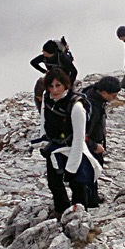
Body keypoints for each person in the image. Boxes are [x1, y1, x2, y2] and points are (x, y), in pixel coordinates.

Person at [38, 67, 99, 218]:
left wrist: (71, 168)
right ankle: (62, 213)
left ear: (66, 85)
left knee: (77, 184)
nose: (54, 90)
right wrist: (43, 141)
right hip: (55, 148)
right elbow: (43, 121)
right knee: (54, 184)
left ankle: (79, 218)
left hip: (73, 148)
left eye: (58, 85)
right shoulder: (47, 98)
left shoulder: (76, 107)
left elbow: (79, 139)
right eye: (50, 86)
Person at [81, 76, 122, 206]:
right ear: (104, 93)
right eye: (114, 95)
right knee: (90, 171)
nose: (115, 98)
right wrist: (94, 146)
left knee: (92, 171)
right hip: (89, 146)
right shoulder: (93, 107)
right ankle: (90, 202)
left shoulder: (91, 95)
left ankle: (93, 197)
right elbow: (82, 133)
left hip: (92, 143)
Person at [30, 38, 78, 108]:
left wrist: (69, 84)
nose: (42, 52)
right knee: (40, 83)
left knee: (71, 99)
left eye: (44, 51)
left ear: (51, 53)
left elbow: (74, 71)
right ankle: (44, 111)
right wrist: (44, 71)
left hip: (64, 79)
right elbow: (33, 62)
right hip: (52, 77)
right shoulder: (44, 57)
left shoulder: (62, 57)